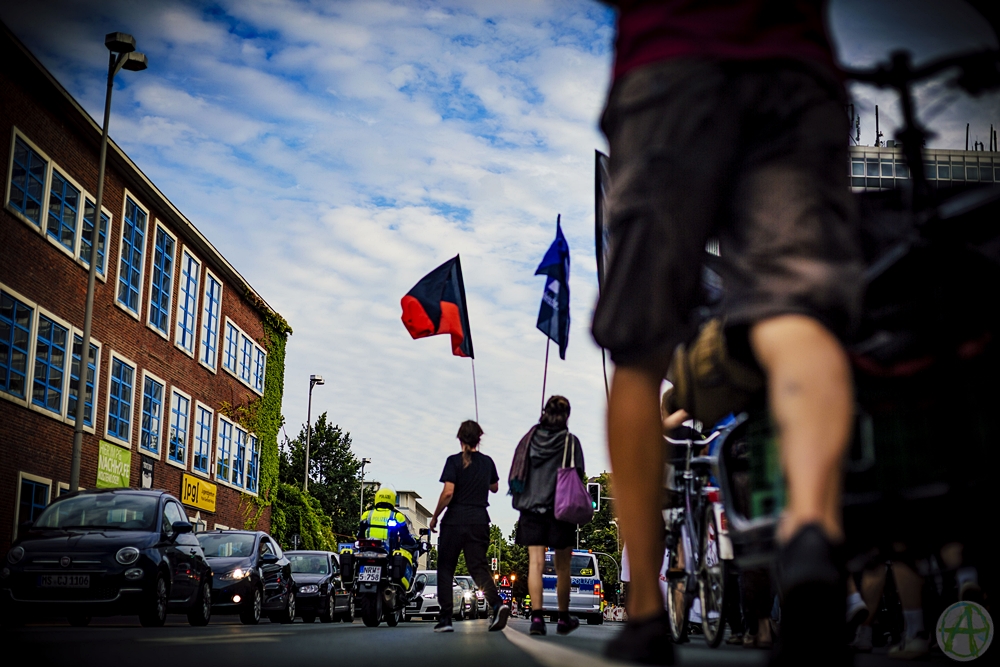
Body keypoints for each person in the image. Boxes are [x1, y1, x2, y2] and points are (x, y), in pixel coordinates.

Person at [594, 2, 863, 664]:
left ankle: (646, 613)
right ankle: (812, 532)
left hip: (668, 62)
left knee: (639, 347)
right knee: (797, 313)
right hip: (792, 69)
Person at [508, 395, 586, 636]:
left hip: (532, 508)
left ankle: (537, 619)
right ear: (567, 416)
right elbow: (579, 475)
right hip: (561, 510)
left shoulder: (529, 439)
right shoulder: (571, 442)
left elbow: (519, 471)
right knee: (563, 567)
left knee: (536, 563)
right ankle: (563, 618)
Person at [429, 420, 510, 633]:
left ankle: (445, 619)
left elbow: (448, 492)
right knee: (478, 567)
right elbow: (494, 487)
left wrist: (435, 516)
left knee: (446, 568)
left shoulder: (453, 461)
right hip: (479, 521)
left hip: (454, 521)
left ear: (460, 439)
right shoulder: (487, 462)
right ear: (479, 439)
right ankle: (497, 604)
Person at [358, 487, 418, 588]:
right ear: (393, 499)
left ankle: (356, 582)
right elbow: (405, 535)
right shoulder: (397, 516)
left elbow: (360, 532)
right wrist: (413, 542)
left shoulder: (367, 514)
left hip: (366, 550)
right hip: (387, 552)